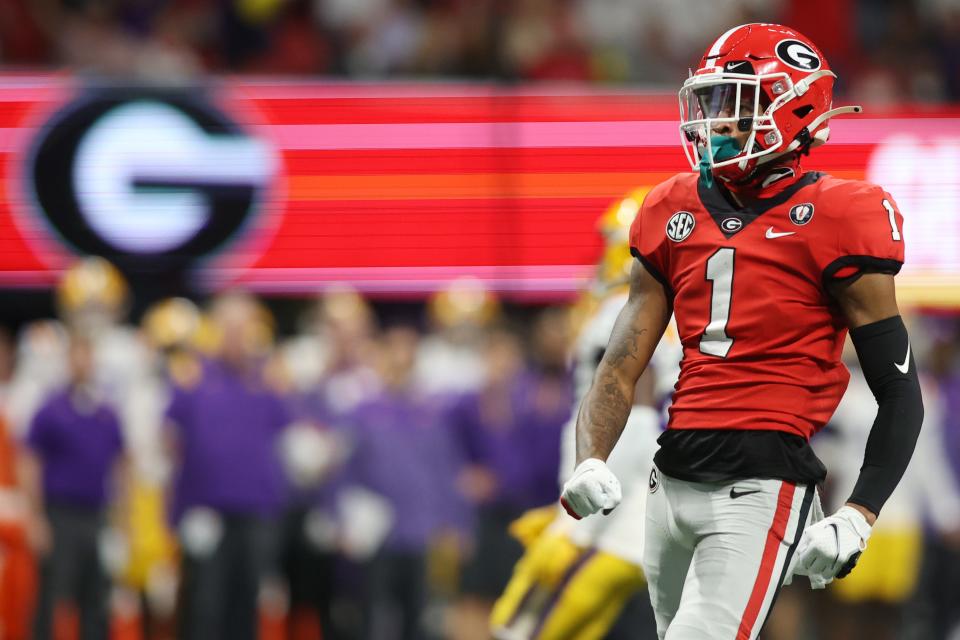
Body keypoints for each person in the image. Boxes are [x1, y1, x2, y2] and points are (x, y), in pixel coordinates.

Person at [559, 23, 925, 640]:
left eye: (736, 104)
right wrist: (591, 457)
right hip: (668, 479)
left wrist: (861, 511)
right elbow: (621, 362)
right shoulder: (670, 206)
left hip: (762, 484)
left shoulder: (843, 214)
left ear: (794, 105)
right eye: (710, 103)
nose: (715, 121)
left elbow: (899, 389)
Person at [489, 189, 681, 640]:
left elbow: (633, 401)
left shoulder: (622, 308)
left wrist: (581, 493)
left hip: (616, 459)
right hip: (641, 467)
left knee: (545, 601)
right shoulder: (660, 307)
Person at [21, 330, 127, 640]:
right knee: (52, 594)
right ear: (67, 361)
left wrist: (121, 521)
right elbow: (31, 463)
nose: (82, 363)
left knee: (97, 595)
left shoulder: (106, 412)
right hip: (60, 513)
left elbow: (121, 465)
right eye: (76, 356)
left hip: (97, 514)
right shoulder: (51, 409)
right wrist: (37, 517)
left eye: (87, 356)